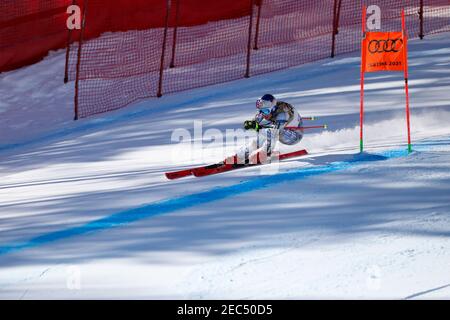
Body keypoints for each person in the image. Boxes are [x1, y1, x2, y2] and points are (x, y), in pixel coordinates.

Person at [229, 94, 303, 165]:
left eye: (266, 111)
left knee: (270, 132)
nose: (264, 114)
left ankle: (265, 153)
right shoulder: (267, 110)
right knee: (259, 138)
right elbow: (256, 121)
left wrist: (258, 127)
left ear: (273, 108)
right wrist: (251, 124)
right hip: (282, 129)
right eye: (261, 111)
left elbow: (275, 132)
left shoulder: (282, 115)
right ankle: (239, 156)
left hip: (294, 135)